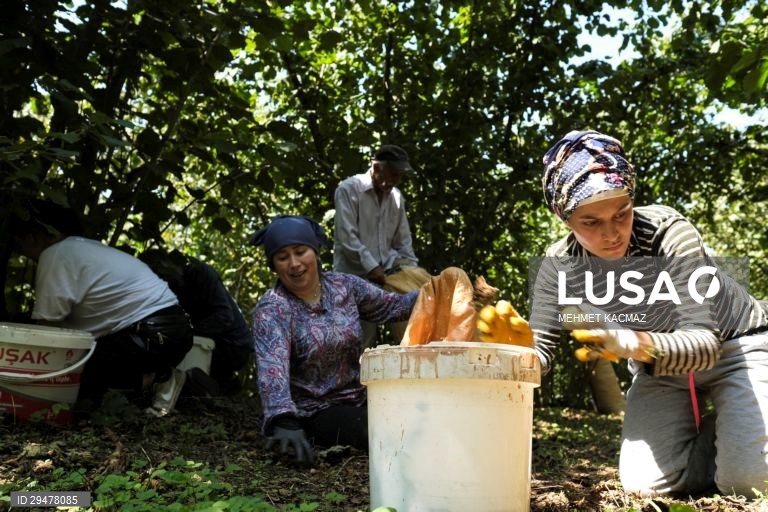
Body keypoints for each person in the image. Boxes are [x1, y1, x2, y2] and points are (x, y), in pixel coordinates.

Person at [530, 130, 768, 497]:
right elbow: (539, 353)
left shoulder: (669, 233)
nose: (612, 234)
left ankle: (746, 430)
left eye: (621, 213)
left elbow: (705, 344)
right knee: (648, 486)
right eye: (590, 222)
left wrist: (629, 341)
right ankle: (733, 429)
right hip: (659, 367)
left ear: (632, 200)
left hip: (736, 348)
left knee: (750, 483)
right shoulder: (558, 265)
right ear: (565, 219)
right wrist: (510, 351)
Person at [250, 215, 418, 463]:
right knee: (384, 431)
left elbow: (394, 307)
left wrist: (439, 291)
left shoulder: (344, 286)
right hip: (315, 411)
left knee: (418, 413)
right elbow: (271, 370)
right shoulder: (273, 309)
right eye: (283, 257)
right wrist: (284, 419)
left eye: (300, 251)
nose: (294, 264)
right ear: (274, 266)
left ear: (316, 254)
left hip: (361, 396)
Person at [11, 200, 193, 417]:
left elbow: (45, 330)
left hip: (152, 334)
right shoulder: (82, 247)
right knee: (80, 369)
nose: (23, 252)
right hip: (169, 329)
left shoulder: (55, 254)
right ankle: (155, 381)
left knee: (74, 375)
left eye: (21, 243)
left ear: (32, 236)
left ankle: (158, 378)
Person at [333, 144, 427, 347]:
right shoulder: (349, 189)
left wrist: (411, 273)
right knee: (358, 337)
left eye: (399, 176)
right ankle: (354, 378)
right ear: (376, 167)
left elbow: (403, 242)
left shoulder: (396, 197)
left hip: (387, 275)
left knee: (414, 321)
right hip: (354, 277)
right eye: (392, 174)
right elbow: (347, 238)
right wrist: (372, 267)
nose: (395, 180)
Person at [141, 250, 253, 395]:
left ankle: (218, 385)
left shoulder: (200, 273)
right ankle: (218, 384)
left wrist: (187, 332)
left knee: (188, 372)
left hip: (233, 345)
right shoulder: (168, 287)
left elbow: (224, 317)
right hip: (207, 341)